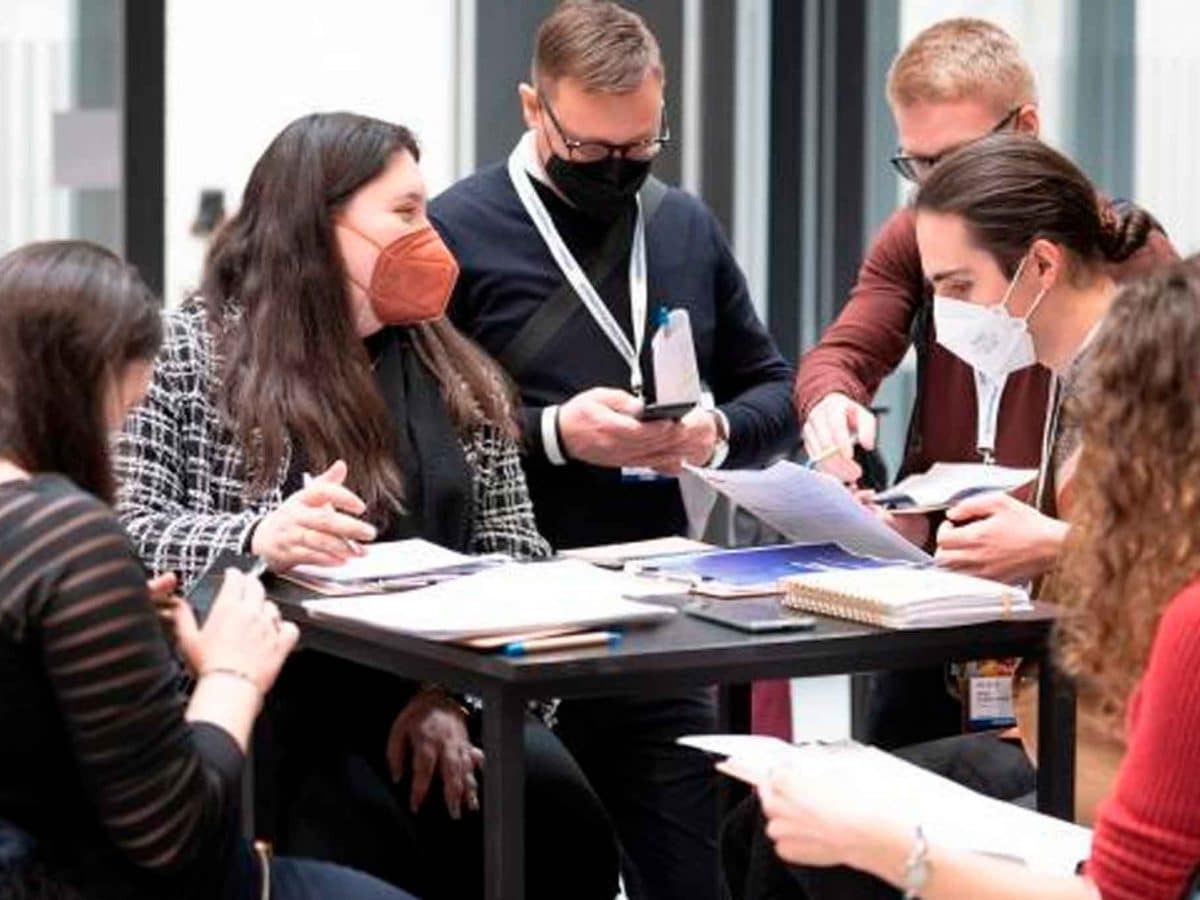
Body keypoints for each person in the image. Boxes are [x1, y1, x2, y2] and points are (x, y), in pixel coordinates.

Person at [114, 113, 619, 900]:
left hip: (443, 686)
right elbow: (127, 529)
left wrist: (447, 694)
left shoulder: (454, 366)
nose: (430, 233)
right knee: (346, 829)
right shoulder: (194, 349)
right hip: (277, 695)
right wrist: (257, 535)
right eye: (405, 211)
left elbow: (518, 546)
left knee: (559, 814)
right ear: (321, 226)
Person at [720, 132, 1161, 900]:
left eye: (958, 288)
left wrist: (1054, 541)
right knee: (766, 817)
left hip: (1126, 756)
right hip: (1056, 726)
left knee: (823, 848)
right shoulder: (1068, 375)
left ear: (1043, 266)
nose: (948, 319)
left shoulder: (1154, 377)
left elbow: (1171, 568)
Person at [430, 3, 796, 896]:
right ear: (532, 108)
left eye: (639, 149)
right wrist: (556, 435)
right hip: (508, 620)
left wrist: (716, 429)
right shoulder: (456, 230)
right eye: (591, 151)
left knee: (690, 874)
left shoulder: (681, 227)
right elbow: (419, 432)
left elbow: (776, 392)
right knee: (553, 871)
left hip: (658, 612)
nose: (615, 172)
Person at [795, 17, 1177, 749]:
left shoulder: (1128, 280)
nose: (939, 190)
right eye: (917, 167)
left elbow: (1161, 530)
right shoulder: (922, 230)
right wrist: (833, 406)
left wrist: (1063, 542)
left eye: (956, 158)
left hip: (1069, 611)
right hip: (950, 582)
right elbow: (841, 352)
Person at [0, 240, 415, 900]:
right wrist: (233, 674)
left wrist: (123, 636)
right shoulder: (69, 535)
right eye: (120, 416)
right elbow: (173, 834)